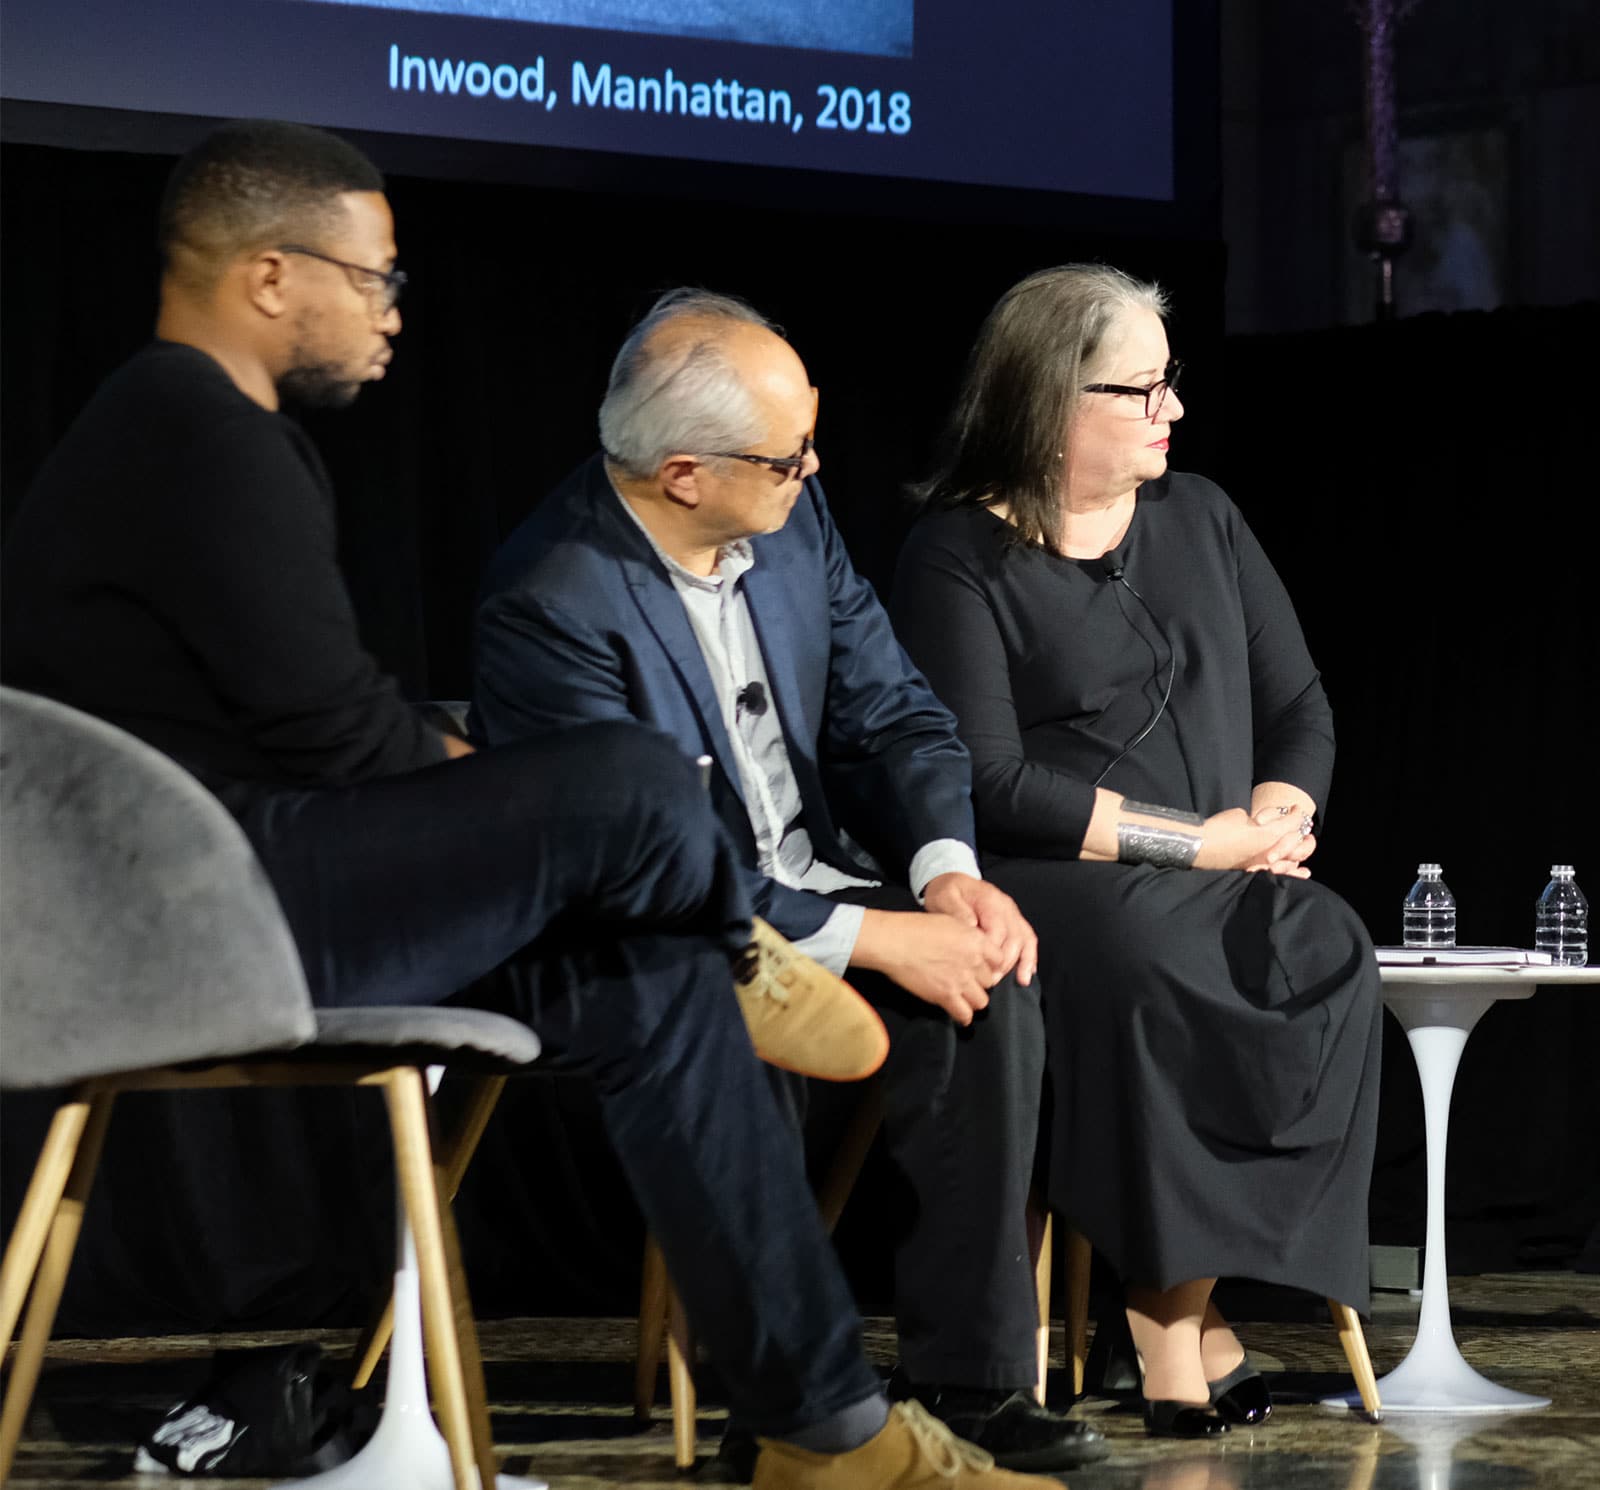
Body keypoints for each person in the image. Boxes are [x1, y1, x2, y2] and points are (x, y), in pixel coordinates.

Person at [0, 119, 1055, 1490]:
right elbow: (346, 744)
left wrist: (504, 802)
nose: (392, 312)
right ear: (268, 275)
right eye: (371, 277)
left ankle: (827, 1430)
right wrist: (523, 799)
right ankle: (741, 934)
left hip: (251, 884)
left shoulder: (203, 433)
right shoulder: (192, 433)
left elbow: (335, 733)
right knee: (628, 777)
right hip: (209, 917)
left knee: (653, 984)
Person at [471, 290, 1105, 1474]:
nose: (813, 469)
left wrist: (944, 876)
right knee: (736, 1006)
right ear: (681, 474)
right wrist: (866, 942)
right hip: (661, 933)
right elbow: (631, 872)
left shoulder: (792, 523)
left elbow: (901, 715)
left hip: (816, 879)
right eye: (785, 455)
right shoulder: (552, 601)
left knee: (990, 981)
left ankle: (968, 1385)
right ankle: (786, 1417)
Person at [888, 264, 1381, 1440]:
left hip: (1219, 868)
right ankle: (1170, 1335)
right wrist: (1191, 842)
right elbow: (990, 780)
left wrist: (1276, 813)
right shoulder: (957, 555)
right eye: (1140, 388)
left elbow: (1300, 704)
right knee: (1157, 950)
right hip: (1060, 874)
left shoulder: (1200, 516)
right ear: (1053, 397)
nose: (1171, 410)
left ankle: (1178, 1301)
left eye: (1172, 384)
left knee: (1329, 946)